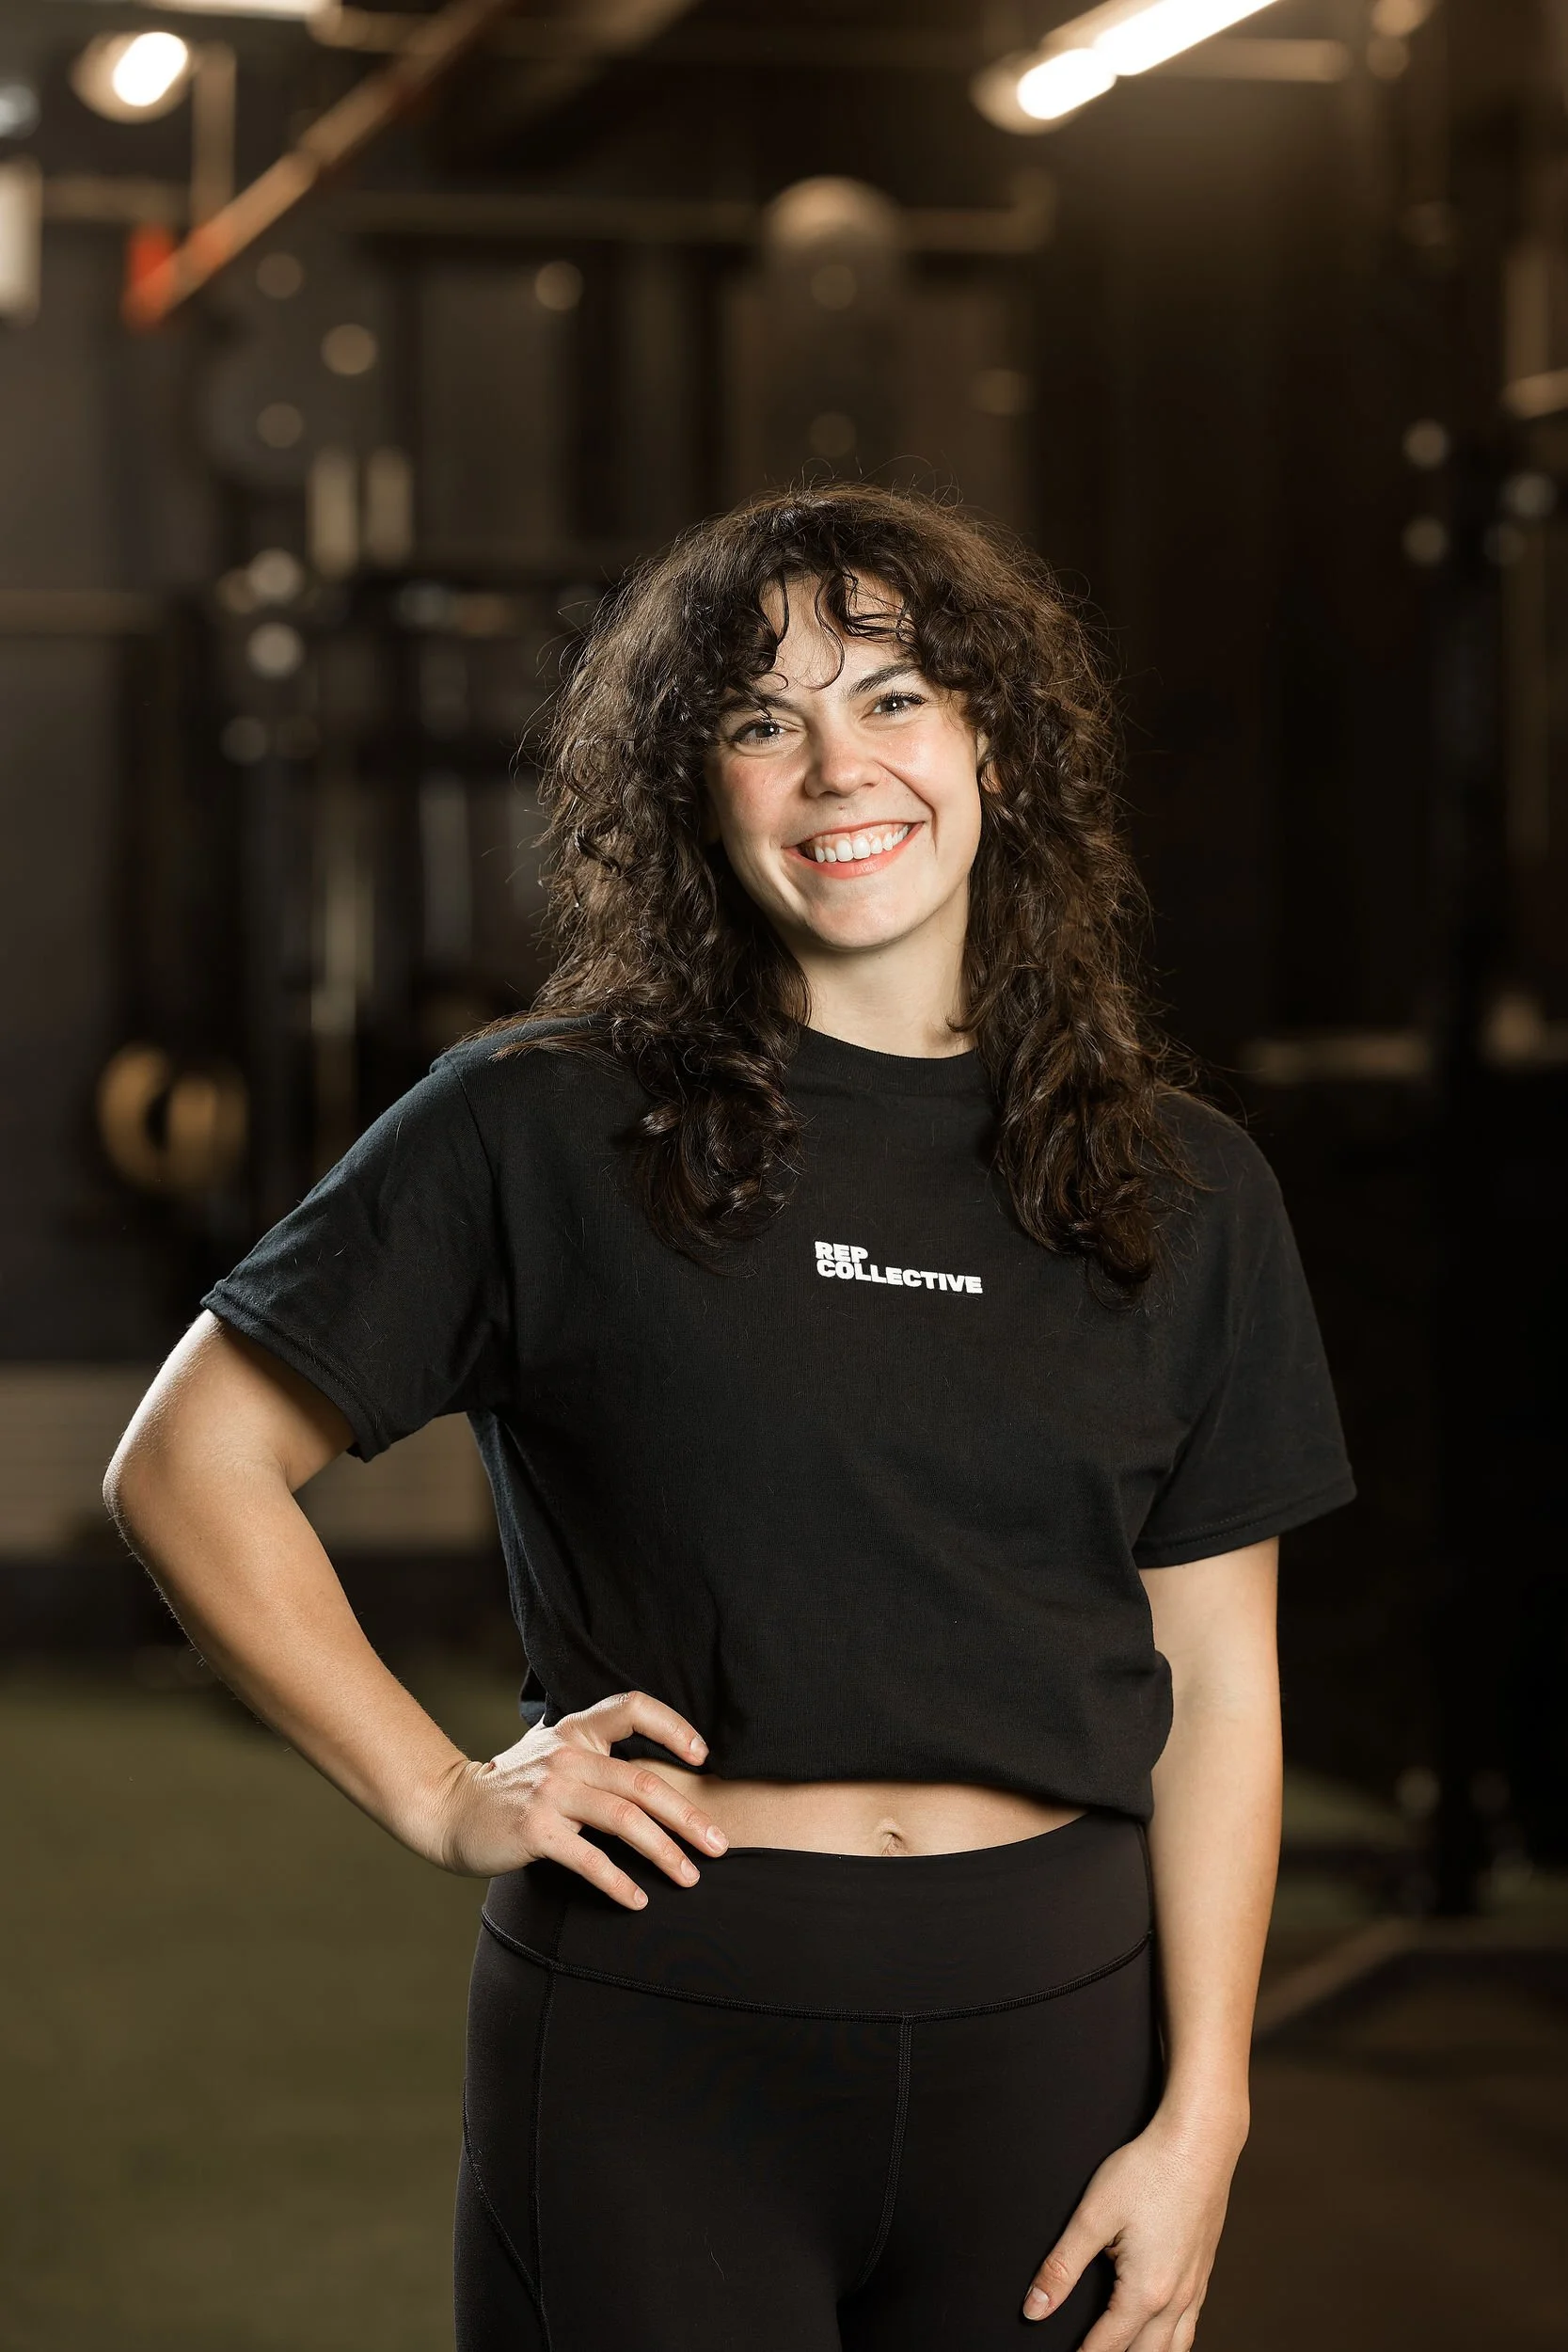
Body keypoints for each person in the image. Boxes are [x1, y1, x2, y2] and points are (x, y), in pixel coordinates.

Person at [105, 484, 1354, 2352]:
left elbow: (1219, 1677)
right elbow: (187, 1462)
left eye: (892, 699)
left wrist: (1208, 2108)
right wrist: (445, 1790)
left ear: (992, 744)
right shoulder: (534, 1124)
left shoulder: (1179, 1184)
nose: (834, 766)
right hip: (657, 2045)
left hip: (1057, 2043)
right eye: (760, 721)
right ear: (695, 790)